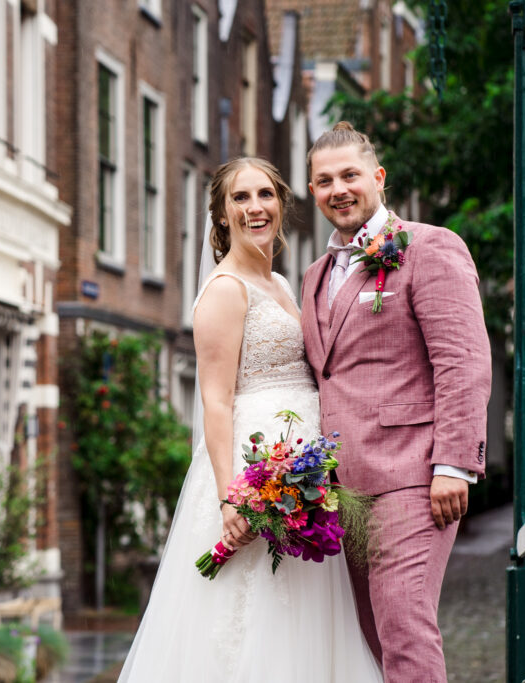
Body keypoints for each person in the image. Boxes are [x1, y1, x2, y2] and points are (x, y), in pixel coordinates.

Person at [118, 157, 382, 682]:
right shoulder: (224, 290)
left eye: (265, 194)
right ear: (220, 215)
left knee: (308, 613)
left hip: (305, 472)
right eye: (240, 198)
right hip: (255, 466)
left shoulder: (283, 284)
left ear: (282, 203)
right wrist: (231, 495)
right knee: (255, 614)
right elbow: (215, 401)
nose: (255, 207)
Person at [300, 121, 492, 682]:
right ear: (312, 191)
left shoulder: (430, 247)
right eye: (323, 180)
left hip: (413, 477)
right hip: (342, 493)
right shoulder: (314, 276)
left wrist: (453, 464)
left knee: (405, 628)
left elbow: (462, 361)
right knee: (372, 636)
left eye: (350, 175)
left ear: (378, 178)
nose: (338, 189)